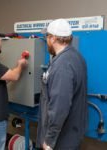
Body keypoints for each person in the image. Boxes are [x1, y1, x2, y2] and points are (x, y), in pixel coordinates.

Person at [36, 19, 87, 150]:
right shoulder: (76, 56)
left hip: (61, 140)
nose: (46, 40)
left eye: (46, 36)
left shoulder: (62, 65)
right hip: (71, 134)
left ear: (52, 39)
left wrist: (49, 141)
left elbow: (60, 107)